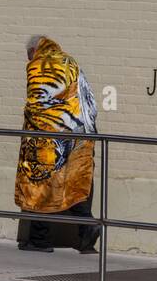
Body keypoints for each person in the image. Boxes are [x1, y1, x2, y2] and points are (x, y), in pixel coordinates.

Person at [15, 36, 101, 254]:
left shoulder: (40, 65)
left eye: (28, 56)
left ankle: (38, 240)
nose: (28, 60)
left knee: (40, 185)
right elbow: (89, 100)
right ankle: (87, 229)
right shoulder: (70, 62)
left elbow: (38, 105)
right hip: (82, 135)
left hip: (51, 135)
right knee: (75, 186)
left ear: (34, 51)